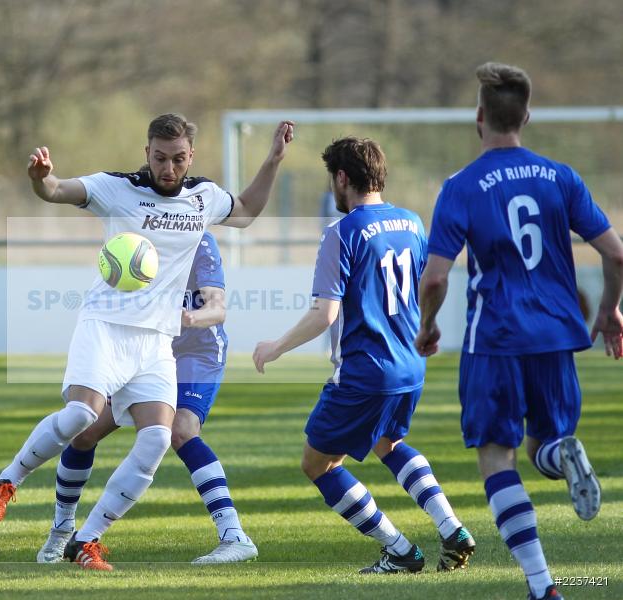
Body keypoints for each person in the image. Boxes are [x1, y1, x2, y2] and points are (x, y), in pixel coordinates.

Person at [0, 114, 293, 570]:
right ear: (147, 153)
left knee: (157, 439)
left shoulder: (203, 199)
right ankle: (6, 482)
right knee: (82, 416)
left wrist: (274, 159)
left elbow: (245, 210)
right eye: (160, 158)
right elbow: (59, 191)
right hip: (105, 325)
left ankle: (87, 540)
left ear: (191, 158)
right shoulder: (116, 188)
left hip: (156, 342)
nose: (168, 168)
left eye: (178, 159)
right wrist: (41, 181)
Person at [414, 62, 623, 600]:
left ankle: (543, 585)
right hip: (558, 334)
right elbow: (617, 255)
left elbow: (436, 276)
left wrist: (429, 325)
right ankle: (562, 456)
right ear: (526, 116)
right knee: (543, 446)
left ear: (479, 117)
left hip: (496, 338)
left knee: (496, 454)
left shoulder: (461, 186)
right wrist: (609, 310)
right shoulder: (561, 176)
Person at [253, 137, 474, 574]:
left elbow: (325, 314)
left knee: (316, 463)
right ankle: (451, 527)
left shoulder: (342, 232)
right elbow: (429, 282)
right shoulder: (411, 223)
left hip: (365, 371)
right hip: (411, 364)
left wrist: (275, 347)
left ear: (341, 178)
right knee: (387, 443)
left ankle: (399, 550)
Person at [36, 231, 258, 565]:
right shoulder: (132, 233)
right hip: (146, 347)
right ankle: (62, 530)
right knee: (84, 431)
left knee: (181, 429)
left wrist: (189, 318)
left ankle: (235, 536)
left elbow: (218, 308)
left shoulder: (199, 239)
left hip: (197, 349)